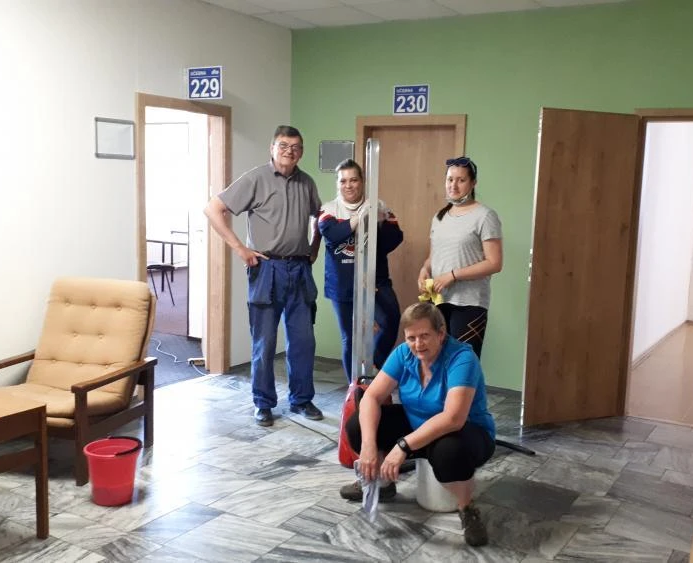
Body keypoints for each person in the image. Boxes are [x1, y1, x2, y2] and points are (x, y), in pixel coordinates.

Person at [339, 302, 496, 547]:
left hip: (465, 431)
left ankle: (467, 508)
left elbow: (453, 418)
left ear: (441, 334)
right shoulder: (403, 354)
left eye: (425, 336)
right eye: (411, 338)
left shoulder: (462, 358)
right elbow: (371, 397)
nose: (418, 344)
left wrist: (402, 446)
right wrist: (369, 446)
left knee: (449, 453)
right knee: (357, 427)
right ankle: (382, 483)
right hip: (418, 424)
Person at [204, 125, 323, 427]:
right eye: (283, 145)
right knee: (265, 342)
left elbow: (319, 217)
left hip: (300, 270)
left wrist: (314, 247)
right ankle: (264, 403)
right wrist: (240, 248)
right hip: (267, 269)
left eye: (295, 147)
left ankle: (301, 399)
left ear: (301, 152)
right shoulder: (255, 179)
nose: (289, 151)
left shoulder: (307, 183)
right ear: (272, 148)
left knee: (303, 341)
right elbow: (214, 209)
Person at [317, 159, 403, 382]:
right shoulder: (329, 209)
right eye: (343, 181)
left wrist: (380, 221)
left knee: (390, 320)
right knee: (350, 338)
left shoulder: (378, 205)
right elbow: (332, 236)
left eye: (353, 180)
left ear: (362, 181)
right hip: (342, 284)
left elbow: (394, 239)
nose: (348, 185)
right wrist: (358, 219)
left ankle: (373, 367)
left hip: (375, 280)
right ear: (337, 184)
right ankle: (354, 387)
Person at [417, 156, 503, 358]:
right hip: (438, 301)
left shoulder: (485, 216)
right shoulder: (439, 217)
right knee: (435, 362)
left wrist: (453, 275)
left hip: (469, 303)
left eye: (461, 180)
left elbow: (494, 263)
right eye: (450, 179)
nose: (453, 185)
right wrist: (424, 270)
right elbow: (433, 256)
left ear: (473, 183)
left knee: (462, 364)